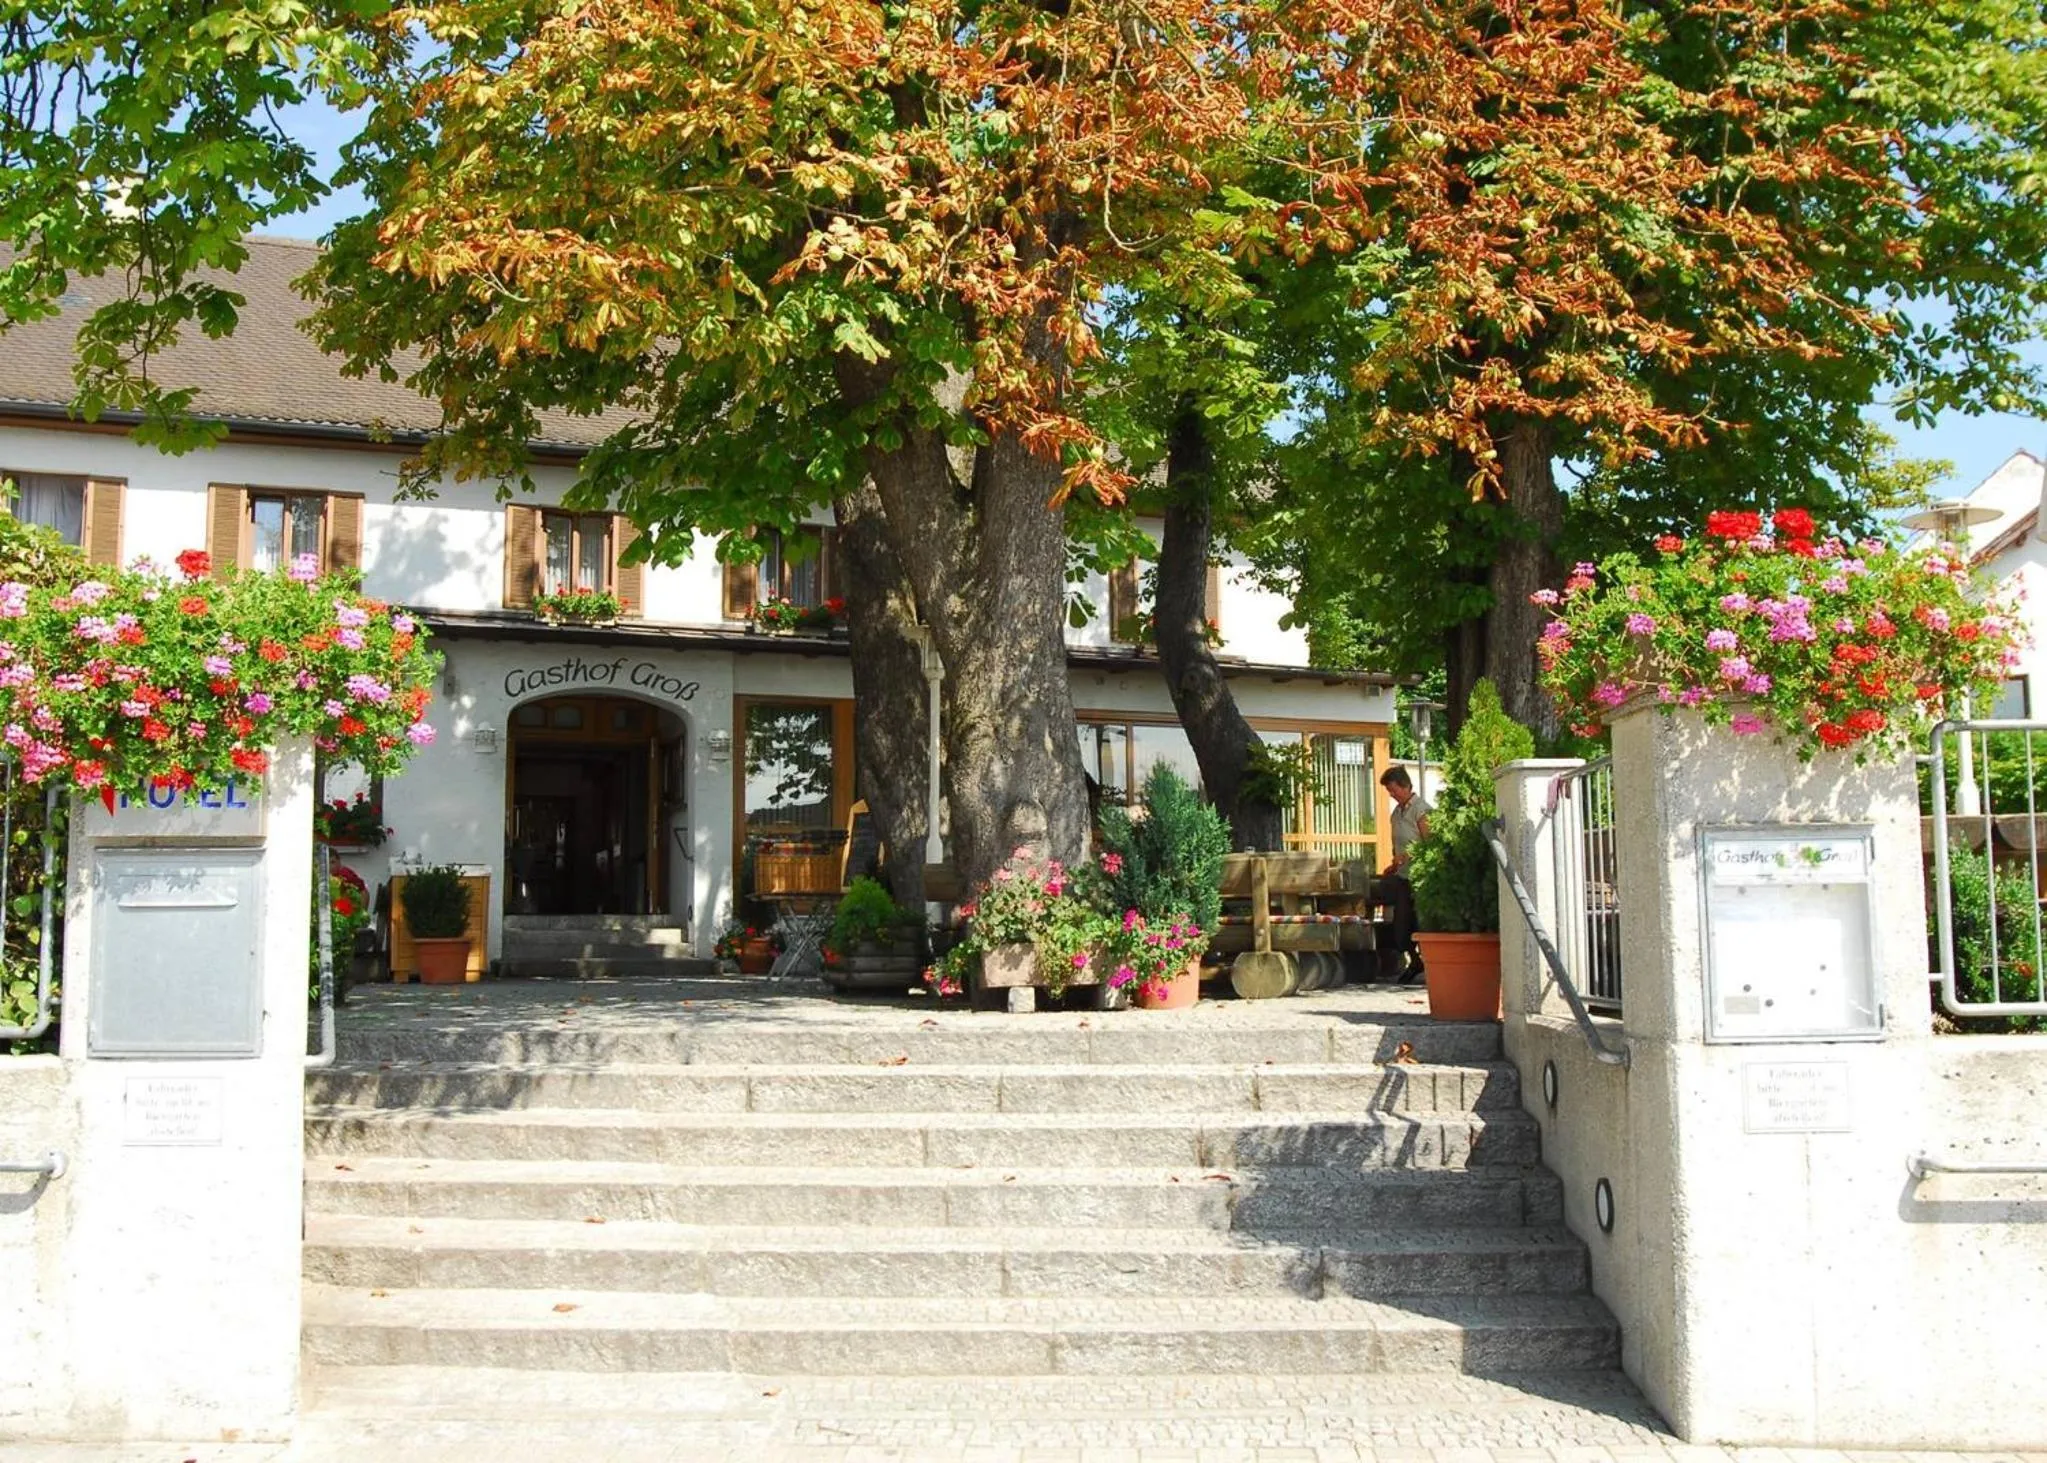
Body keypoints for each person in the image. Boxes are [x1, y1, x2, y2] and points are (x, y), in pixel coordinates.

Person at [1375, 765, 1431, 983]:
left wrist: (1406, 857)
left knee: (1421, 922)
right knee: (1401, 926)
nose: (1391, 794)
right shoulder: (1396, 813)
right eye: (1389, 791)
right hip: (1403, 876)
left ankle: (1427, 965)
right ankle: (1415, 962)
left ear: (1406, 786)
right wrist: (1394, 863)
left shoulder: (1422, 809)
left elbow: (1429, 843)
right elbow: (1397, 844)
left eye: (1393, 789)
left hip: (1420, 877)